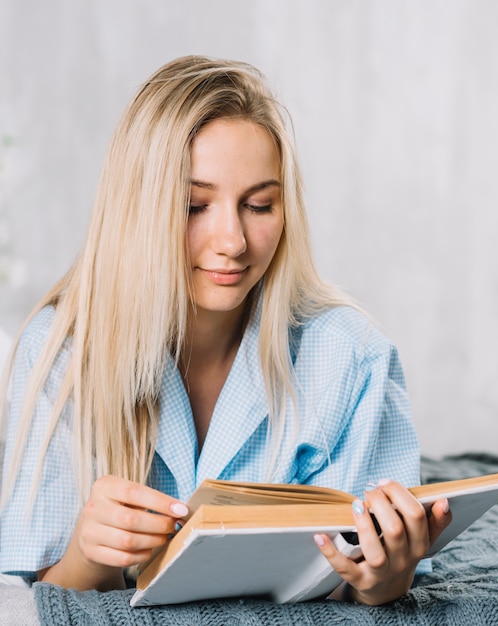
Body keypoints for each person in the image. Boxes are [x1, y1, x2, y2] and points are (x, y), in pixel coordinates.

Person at [0, 55, 450, 605]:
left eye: (260, 205)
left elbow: (361, 576)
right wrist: (87, 555)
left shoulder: (352, 356)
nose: (233, 241)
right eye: (194, 206)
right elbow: (35, 595)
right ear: (136, 210)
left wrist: (387, 579)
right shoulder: (61, 353)